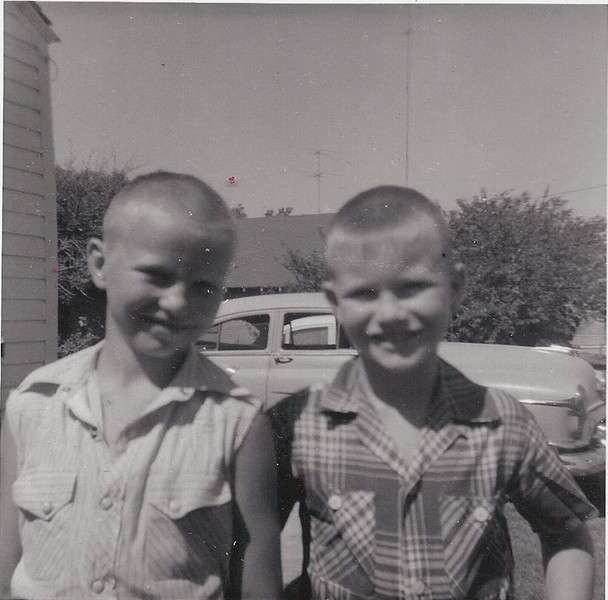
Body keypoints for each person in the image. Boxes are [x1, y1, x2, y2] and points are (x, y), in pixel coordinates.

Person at [271, 185, 597, 600]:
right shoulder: (296, 424)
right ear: (335, 302)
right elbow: (249, 546)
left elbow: (566, 532)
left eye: (413, 287)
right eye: (364, 293)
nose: (390, 313)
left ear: (455, 287)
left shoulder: (503, 423)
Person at [0, 171, 283, 600]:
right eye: (157, 275)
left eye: (203, 286)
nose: (177, 302)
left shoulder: (238, 423)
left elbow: (258, 583)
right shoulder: (33, 404)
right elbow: (5, 568)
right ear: (99, 265)